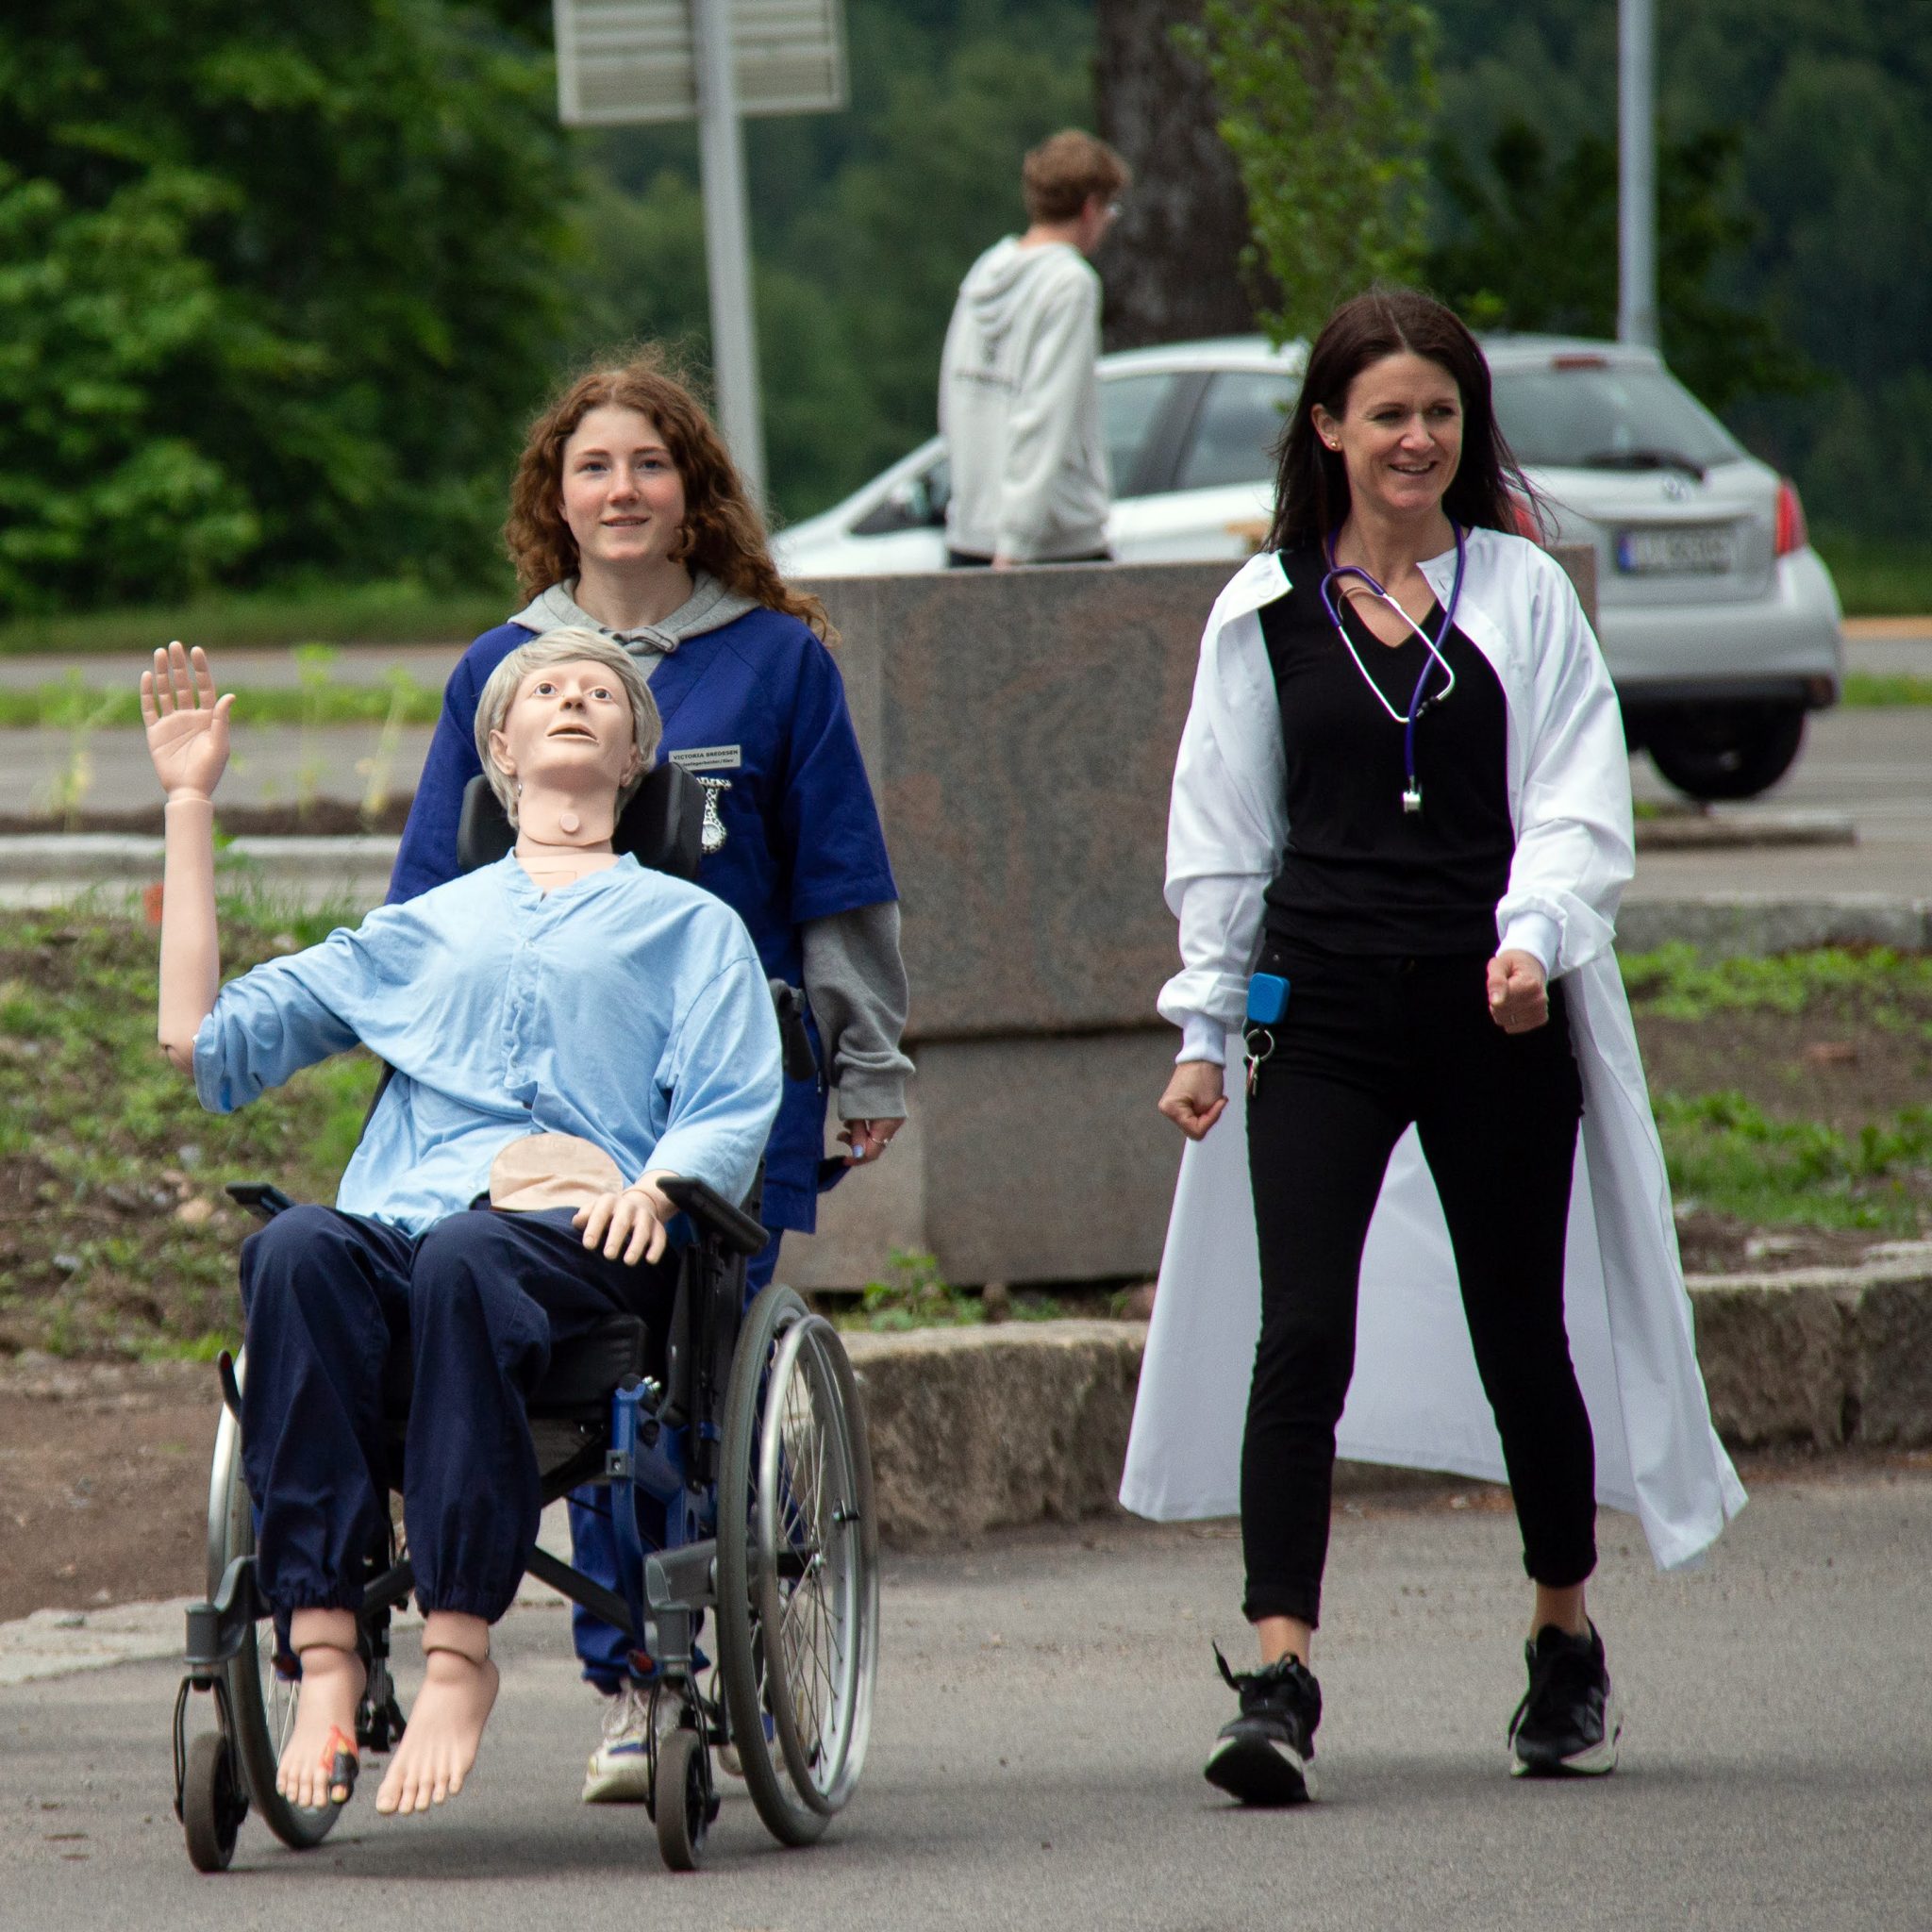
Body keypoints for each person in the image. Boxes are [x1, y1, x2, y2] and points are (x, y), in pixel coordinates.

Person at [1120, 288, 1745, 1806]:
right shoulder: (1261, 611)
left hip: (1492, 1010)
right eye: (1388, 413)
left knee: (1519, 1326)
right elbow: (1224, 834)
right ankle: (1279, 1674)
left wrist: (1534, 939)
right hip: (1318, 1011)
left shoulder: (1521, 595)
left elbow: (1579, 800)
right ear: (1328, 429)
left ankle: (1563, 1636)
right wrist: (1206, 1022)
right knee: (1300, 1332)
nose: (1416, 439)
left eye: (1441, 414)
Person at [143, 628, 783, 1817]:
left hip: (585, 1244)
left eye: (603, 693)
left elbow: (731, 1098)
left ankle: (456, 1652)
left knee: (467, 1253)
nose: (575, 697)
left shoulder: (693, 928)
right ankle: (325, 1650)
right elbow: (200, 1043)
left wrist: (659, 1185)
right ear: (499, 748)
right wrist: (189, 802)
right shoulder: (421, 929)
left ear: (635, 759)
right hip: (415, 1238)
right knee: (295, 1248)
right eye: (546, 688)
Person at [388, 350, 912, 1801]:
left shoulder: (778, 662)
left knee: (686, 1378)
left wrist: (865, 1062)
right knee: (582, 1379)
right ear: (554, 500)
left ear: (695, 494)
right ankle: (634, 1677)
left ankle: (704, 1640)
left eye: (649, 464)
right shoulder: (503, 672)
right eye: (593, 467)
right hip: (542, 1097)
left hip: (723, 1087)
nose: (622, 489)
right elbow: (430, 897)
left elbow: (840, 882)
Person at [939, 127, 1128, 569]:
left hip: (969, 531)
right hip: (1049, 545)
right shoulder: (1070, 283)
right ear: (1090, 207)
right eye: (1109, 210)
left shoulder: (986, 271)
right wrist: (1015, 544)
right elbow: (1044, 413)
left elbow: (956, 400)